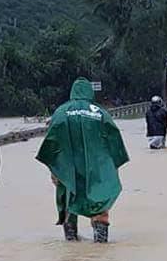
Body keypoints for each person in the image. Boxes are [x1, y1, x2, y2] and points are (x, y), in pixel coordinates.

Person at [36, 77, 129, 243]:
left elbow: (52, 142)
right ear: (90, 92)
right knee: (100, 202)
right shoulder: (100, 113)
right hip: (97, 170)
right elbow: (114, 142)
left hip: (68, 168)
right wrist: (112, 168)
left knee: (69, 201)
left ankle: (71, 243)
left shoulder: (61, 112)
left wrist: (54, 170)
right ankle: (101, 245)